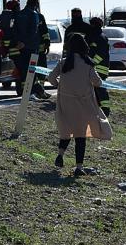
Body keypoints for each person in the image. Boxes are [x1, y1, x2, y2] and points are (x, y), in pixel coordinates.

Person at [47, 34, 110, 176]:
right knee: (80, 135)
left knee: (66, 131)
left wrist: (59, 85)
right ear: (84, 46)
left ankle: (60, 154)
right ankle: (79, 167)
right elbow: (98, 82)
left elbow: (50, 78)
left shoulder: (63, 62)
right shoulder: (88, 64)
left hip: (65, 103)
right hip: (83, 104)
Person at [14, 0, 47, 99]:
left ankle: (29, 92)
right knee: (31, 70)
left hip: (21, 47)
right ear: (35, 5)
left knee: (24, 70)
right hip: (31, 47)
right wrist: (25, 43)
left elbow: (15, 30)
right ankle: (31, 93)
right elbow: (33, 31)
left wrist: (19, 42)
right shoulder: (34, 14)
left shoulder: (19, 14)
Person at [87, 17, 111, 116]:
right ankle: (96, 109)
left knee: (100, 89)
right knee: (92, 89)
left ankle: (105, 110)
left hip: (100, 69)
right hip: (91, 68)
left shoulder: (101, 38)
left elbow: (101, 54)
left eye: (91, 24)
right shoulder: (91, 36)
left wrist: (91, 63)